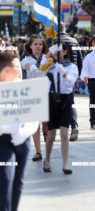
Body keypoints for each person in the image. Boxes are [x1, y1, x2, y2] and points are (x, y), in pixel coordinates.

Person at [0, 52, 39, 211]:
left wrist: (23, 133)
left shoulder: (25, 88)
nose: (20, 71)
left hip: (22, 138)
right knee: (4, 178)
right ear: (6, 70)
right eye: (17, 68)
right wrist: (11, 127)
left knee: (18, 180)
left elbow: (35, 119)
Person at [42, 42, 78, 174]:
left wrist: (62, 72)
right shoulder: (49, 65)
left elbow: (70, 82)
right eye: (55, 51)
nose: (57, 54)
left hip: (65, 99)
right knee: (51, 134)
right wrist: (49, 53)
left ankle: (65, 164)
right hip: (52, 98)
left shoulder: (72, 66)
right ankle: (47, 160)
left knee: (64, 132)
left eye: (60, 51)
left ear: (65, 52)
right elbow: (41, 68)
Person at [21, 34, 48, 162]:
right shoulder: (26, 60)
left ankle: (48, 146)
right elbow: (30, 69)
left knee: (46, 124)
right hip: (33, 92)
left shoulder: (48, 59)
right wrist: (36, 68)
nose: (38, 46)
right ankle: (38, 151)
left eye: (40, 44)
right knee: (35, 124)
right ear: (30, 46)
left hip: (46, 91)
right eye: (36, 44)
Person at [60, 23, 83, 142]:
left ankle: (53, 128)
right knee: (70, 101)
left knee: (55, 102)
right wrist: (78, 76)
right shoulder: (74, 41)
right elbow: (80, 59)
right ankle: (74, 126)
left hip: (57, 75)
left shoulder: (53, 40)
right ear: (65, 29)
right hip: (72, 74)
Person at [80, 35, 95, 129]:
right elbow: (84, 69)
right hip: (93, 80)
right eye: (93, 42)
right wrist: (84, 76)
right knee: (93, 101)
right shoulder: (89, 57)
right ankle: (93, 121)